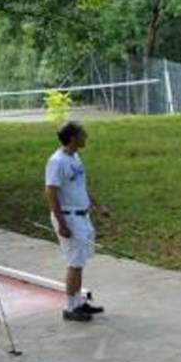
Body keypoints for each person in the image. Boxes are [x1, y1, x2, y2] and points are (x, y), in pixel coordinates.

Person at [45, 121, 108, 322]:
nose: (86, 136)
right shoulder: (57, 162)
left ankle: (79, 303)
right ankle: (71, 307)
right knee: (74, 263)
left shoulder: (75, 157)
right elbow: (51, 193)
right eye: (82, 134)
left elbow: (81, 185)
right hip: (69, 218)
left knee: (79, 263)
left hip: (82, 216)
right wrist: (62, 224)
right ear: (73, 138)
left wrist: (97, 206)